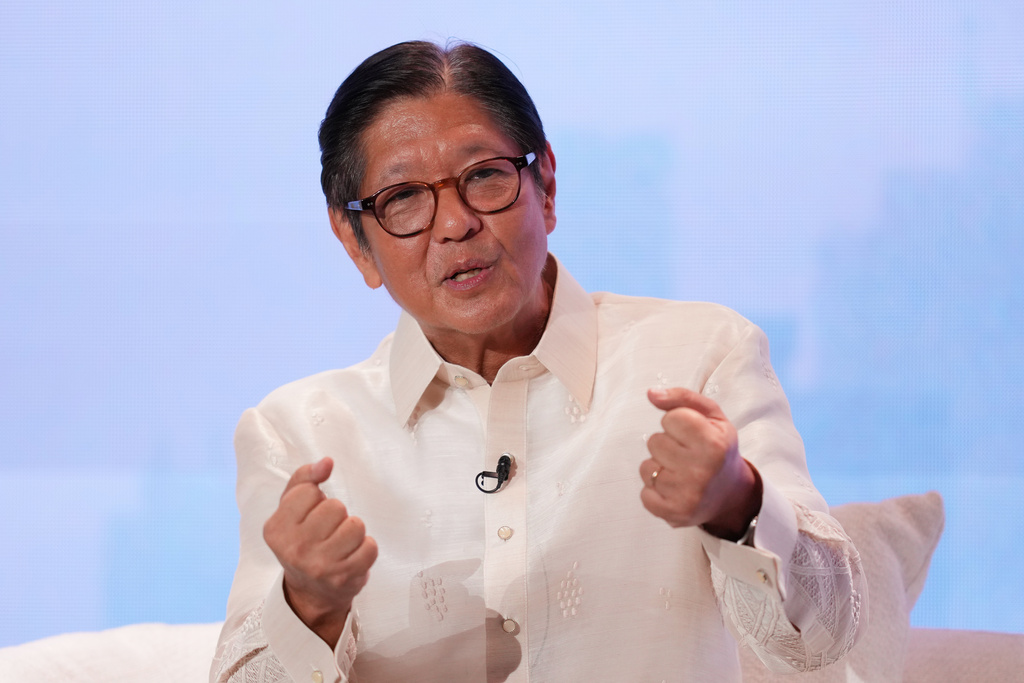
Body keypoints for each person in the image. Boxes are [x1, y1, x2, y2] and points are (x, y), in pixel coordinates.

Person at [211, 40, 865, 683]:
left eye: (484, 176)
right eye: (403, 197)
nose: (455, 224)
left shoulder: (701, 357)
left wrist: (737, 502)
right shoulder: (299, 433)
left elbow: (827, 636)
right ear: (355, 240)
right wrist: (310, 605)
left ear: (545, 183)